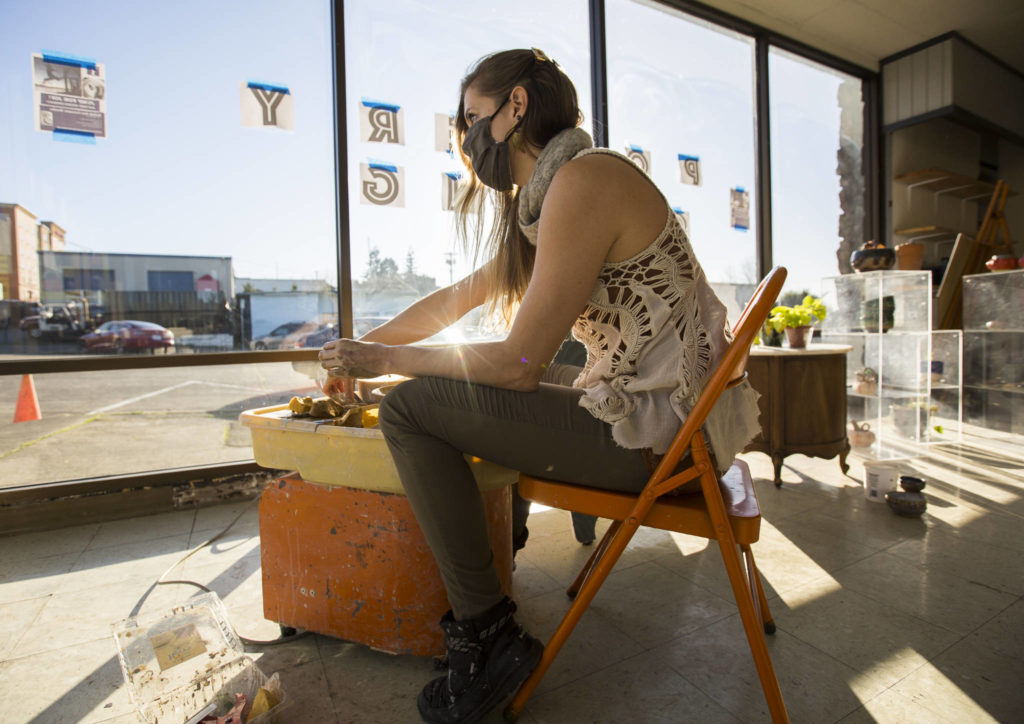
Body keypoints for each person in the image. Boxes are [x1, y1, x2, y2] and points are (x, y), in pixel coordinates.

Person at [319, 47, 762, 724]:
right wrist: (366, 349)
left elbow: (516, 366)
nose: (466, 140)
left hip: (666, 442)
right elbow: (458, 300)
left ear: (516, 106)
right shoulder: (553, 197)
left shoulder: (585, 183)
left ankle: (486, 630)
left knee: (411, 407)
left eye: (473, 118)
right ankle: (497, 572)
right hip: (666, 418)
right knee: (441, 389)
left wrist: (384, 365)